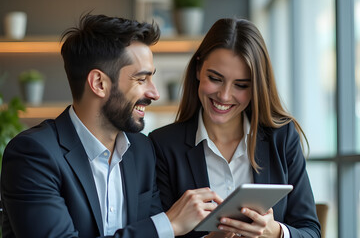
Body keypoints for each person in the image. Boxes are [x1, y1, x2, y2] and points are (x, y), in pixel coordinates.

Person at [0, 14, 223, 238]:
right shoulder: (33, 155)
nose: (154, 93)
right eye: (141, 79)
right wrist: (166, 224)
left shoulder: (142, 150)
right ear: (99, 83)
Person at [149, 18, 321, 238]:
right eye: (215, 78)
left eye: (241, 85)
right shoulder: (162, 146)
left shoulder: (282, 137)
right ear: (198, 69)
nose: (224, 96)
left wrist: (274, 232)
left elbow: (311, 231)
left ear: (256, 87)